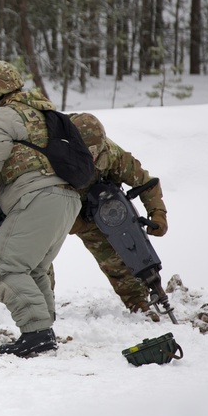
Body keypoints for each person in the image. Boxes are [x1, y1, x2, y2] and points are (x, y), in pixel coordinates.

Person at [0, 60, 81, 358]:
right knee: (34, 269)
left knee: (5, 271)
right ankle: (44, 329)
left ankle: (37, 334)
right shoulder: (43, 112)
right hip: (67, 198)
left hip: (37, 198)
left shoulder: (4, 115)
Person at [67, 112, 168, 319]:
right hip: (60, 209)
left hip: (98, 206)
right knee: (38, 258)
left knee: (120, 252)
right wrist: (75, 223)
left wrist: (158, 214)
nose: (92, 157)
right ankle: (40, 313)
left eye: (96, 151)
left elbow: (145, 182)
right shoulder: (54, 159)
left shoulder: (113, 155)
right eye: (86, 153)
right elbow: (41, 201)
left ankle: (139, 302)